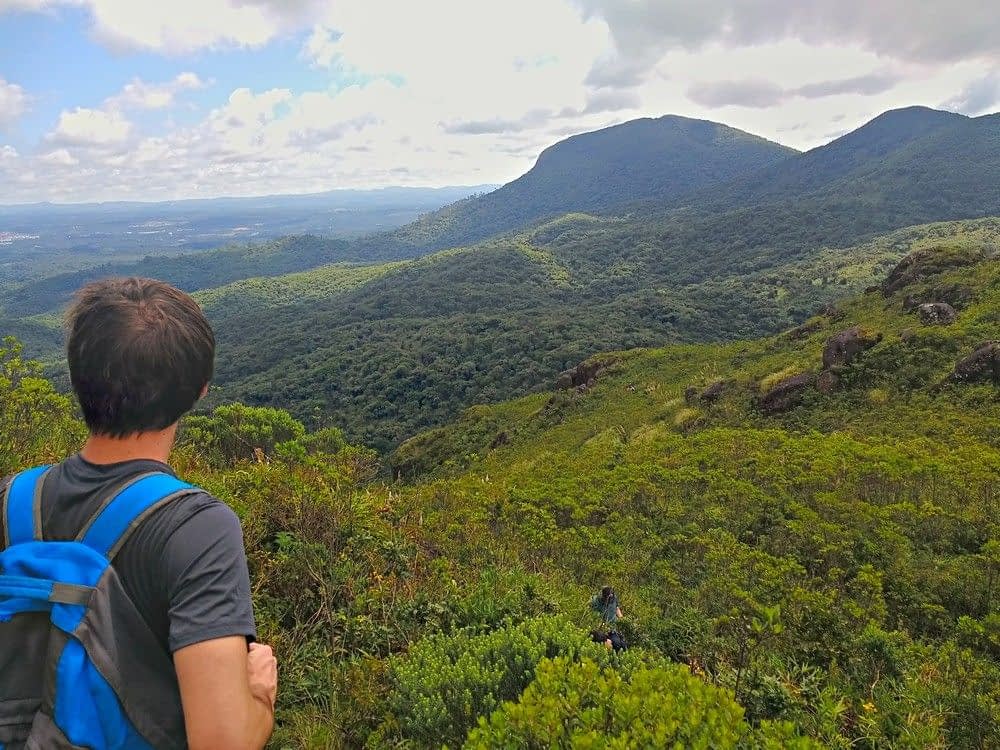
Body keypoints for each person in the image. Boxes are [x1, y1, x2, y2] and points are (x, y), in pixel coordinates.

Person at [0, 278, 277, 750]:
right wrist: (259, 696)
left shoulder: (10, 500)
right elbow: (222, 742)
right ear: (199, 391)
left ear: (77, 378)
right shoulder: (197, 529)